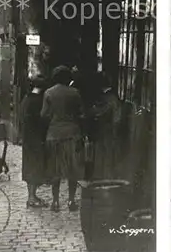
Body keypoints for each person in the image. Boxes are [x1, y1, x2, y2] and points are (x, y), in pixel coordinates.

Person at [41, 65, 85, 212]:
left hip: (54, 135)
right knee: (72, 168)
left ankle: (55, 201)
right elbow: (81, 113)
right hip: (72, 134)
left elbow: (44, 115)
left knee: (55, 169)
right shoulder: (75, 93)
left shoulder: (48, 93)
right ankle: (71, 201)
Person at [20, 75, 49, 208]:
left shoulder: (26, 99)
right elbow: (41, 120)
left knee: (29, 166)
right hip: (36, 139)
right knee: (35, 167)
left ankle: (32, 195)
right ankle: (31, 197)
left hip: (27, 139)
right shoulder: (38, 101)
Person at [89, 71, 122, 179]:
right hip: (107, 129)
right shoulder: (110, 98)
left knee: (103, 154)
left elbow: (111, 115)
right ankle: (104, 176)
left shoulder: (107, 98)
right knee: (106, 154)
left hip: (105, 129)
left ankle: (103, 176)